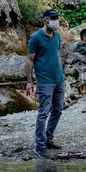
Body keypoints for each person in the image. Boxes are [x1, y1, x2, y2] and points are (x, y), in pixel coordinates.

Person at [26, 9, 68, 158]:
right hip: (44, 80)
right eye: (52, 18)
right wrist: (30, 81)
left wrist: (62, 73)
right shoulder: (35, 38)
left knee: (58, 109)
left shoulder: (56, 36)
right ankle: (40, 145)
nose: (55, 21)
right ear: (45, 20)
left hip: (58, 79)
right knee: (43, 112)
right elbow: (30, 60)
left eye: (57, 18)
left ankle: (48, 138)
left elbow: (57, 54)